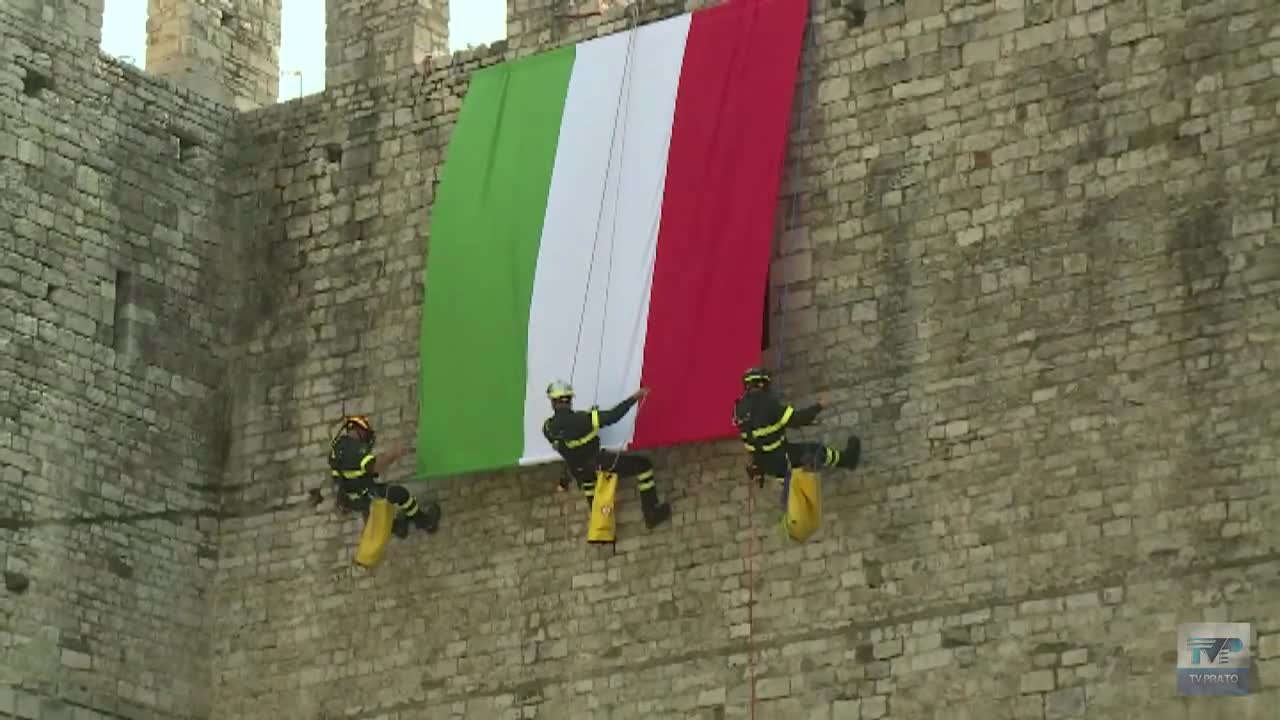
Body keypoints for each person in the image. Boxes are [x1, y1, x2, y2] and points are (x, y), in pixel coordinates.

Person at [542, 381, 672, 529]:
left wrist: (565, 478)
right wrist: (635, 397)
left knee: (589, 485)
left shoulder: (548, 428)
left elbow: (565, 449)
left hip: (581, 473)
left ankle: (602, 529)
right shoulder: (585, 418)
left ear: (552, 402)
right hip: (600, 464)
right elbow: (613, 416)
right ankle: (651, 513)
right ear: (570, 400)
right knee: (644, 466)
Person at [733, 367, 861, 483]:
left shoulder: (738, 408)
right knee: (815, 450)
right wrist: (819, 406)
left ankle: (791, 490)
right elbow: (796, 419)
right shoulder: (768, 403)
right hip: (780, 458)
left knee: (788, 483)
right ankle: (847, 460)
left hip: (762, 462)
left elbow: (762, 428)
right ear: (762, 384)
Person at [328, 415, 441, 538]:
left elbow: (340, 476)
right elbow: (375, 466)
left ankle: (397, 528)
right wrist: (393, 454)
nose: (366, 439)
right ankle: (425, 522)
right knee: (400, 494)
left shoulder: (337, 448)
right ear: (357, 430)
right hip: (366, 495)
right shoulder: (355, 450)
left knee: (372, 511)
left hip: (352, 499)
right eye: (365, 434)